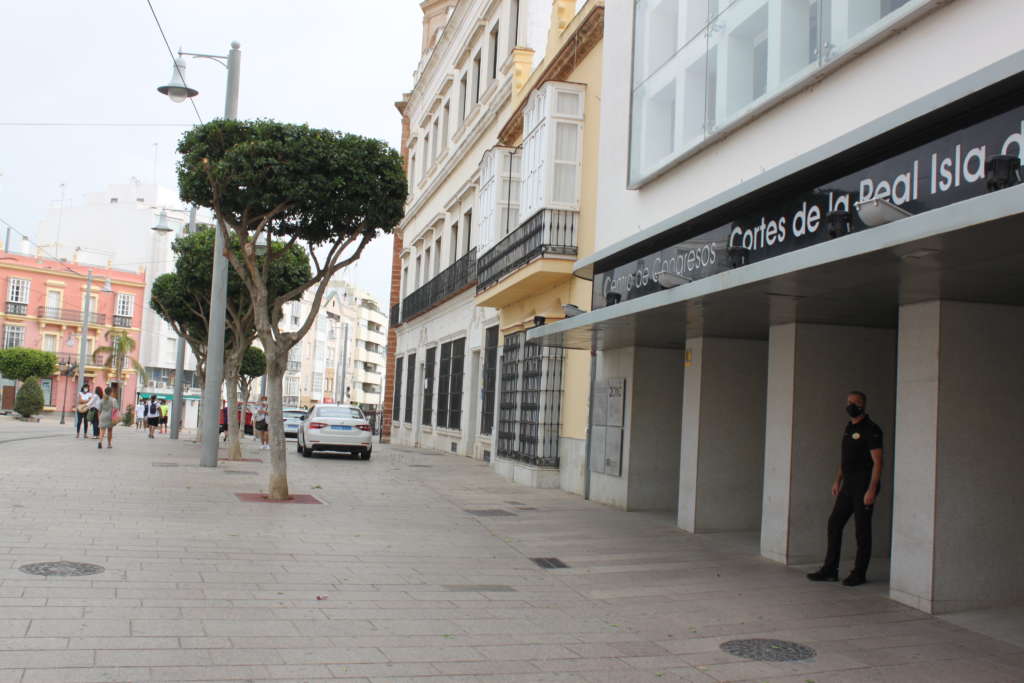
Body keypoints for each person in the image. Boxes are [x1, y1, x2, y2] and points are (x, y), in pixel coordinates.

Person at [807, 391, 884, 587]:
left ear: (863, 405)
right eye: (849, 402)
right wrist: (837, 480)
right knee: (834, 523)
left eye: (855, 403)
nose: (851, 406)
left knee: (862, 530)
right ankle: (830, 570)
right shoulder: (849, 428)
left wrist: (872, 489)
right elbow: (845, 459)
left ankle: (859, 573)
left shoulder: (871, 429)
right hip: (848, 485)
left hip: (864, 486)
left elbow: (878, 462)